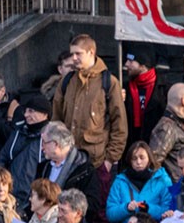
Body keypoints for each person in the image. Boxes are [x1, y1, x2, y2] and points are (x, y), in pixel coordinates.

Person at [51, 35, 128, 172]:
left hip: (97, 162)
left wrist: (109, 160)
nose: (74, 58)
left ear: (91, 52)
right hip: (67, 159)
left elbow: (120, 125)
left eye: (78, 54)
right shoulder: (67, 81)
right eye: (72, 53)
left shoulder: (109, 82)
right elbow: (56, 119)